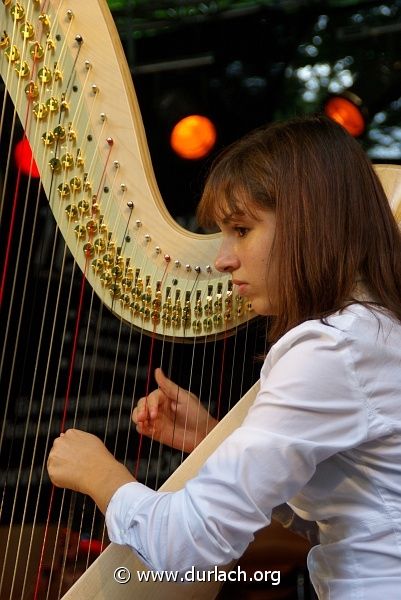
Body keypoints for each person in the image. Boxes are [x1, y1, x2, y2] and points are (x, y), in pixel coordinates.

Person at [47, 114, 401, 599]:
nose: (222, 259)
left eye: (241, 229)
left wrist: (101, 476)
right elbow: (346, 509)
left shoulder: (330, 348)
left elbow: (188, 547)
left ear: (310, 224)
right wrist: (211, 437)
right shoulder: (371, 330)